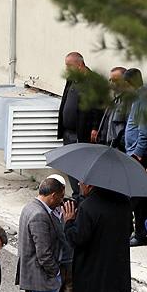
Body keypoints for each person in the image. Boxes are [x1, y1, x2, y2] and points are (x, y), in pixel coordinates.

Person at [122, 69, 147, 247]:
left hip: (140, 154)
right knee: (140, 195)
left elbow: (145, 131)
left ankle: (141, 233)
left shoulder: (143, 99)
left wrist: (137, 153)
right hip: (137, 152)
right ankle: (142, 231)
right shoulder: (140, 97)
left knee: (137, 195)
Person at [57, 52, 103, 194]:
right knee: (70, 165)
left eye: (69, 65)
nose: (67, 69)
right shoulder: (72, 79)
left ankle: (82, 195)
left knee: (80, 166)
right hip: (68, 132)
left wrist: (95, 128)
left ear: (79, 65)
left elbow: (99, 106)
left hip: (81, 132)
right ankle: (76, 194)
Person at [94, 66, 127, 150]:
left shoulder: (127, 101)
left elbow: (127, 127)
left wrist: (119, 144)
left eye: (115, 80)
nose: (112, 84)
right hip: (106, 145)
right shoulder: (114, 98)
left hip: (118, 148)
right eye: (111, 80)